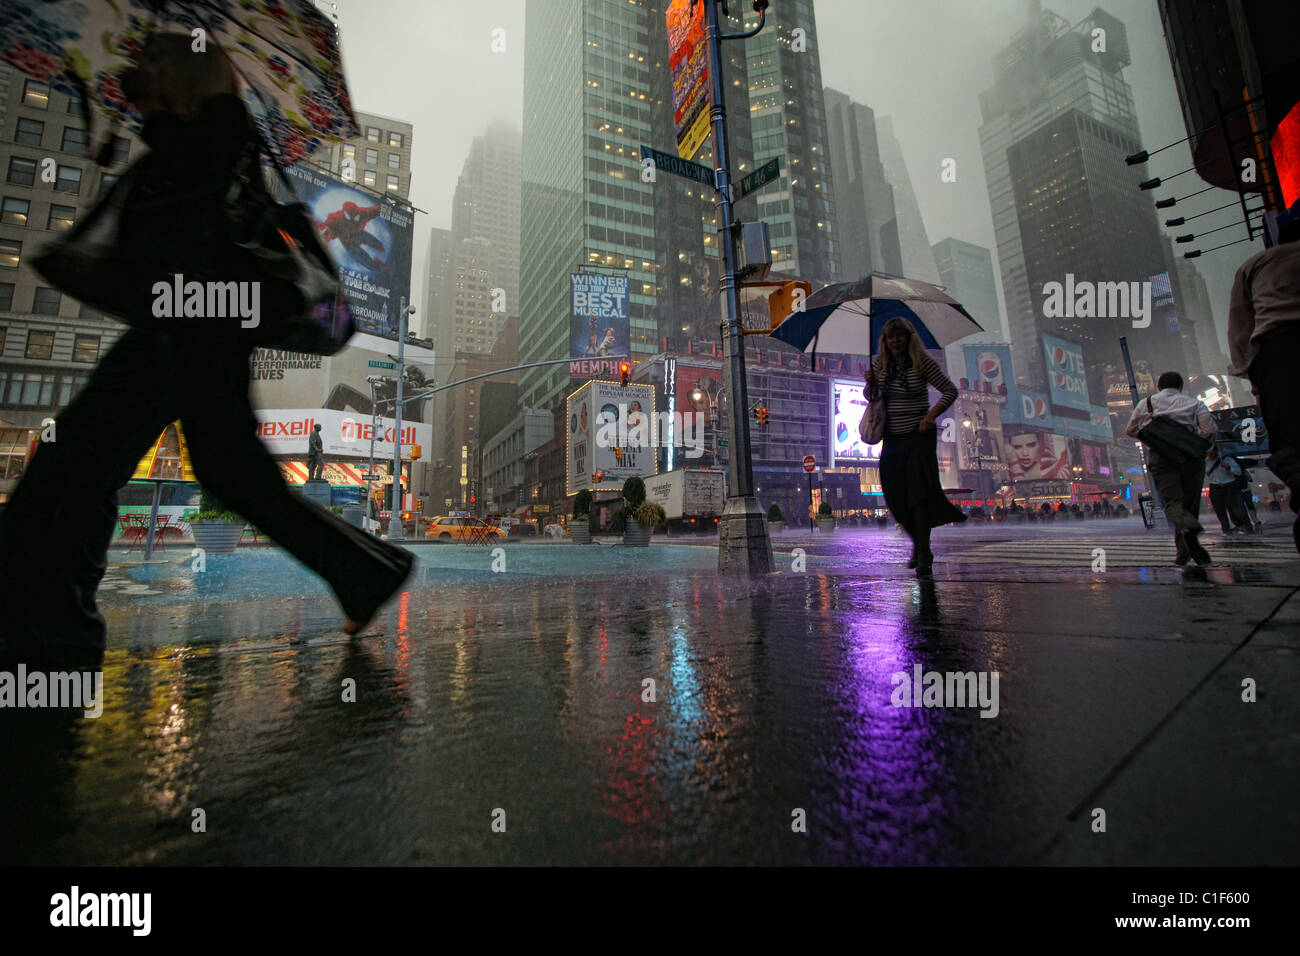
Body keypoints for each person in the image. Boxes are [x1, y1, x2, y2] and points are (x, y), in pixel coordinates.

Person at [0, 34, 412, 669]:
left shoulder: (212, 128)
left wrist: (162, 122)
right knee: (214, 466)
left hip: (191, 318)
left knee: (80, 463)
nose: (137, 64)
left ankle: (45, 641)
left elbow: (182, 215)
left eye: (152, 59)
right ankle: (363, 571)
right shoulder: (207, 127)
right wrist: (156, 118)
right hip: (188, 319)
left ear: (184, 76)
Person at [865, 317, 965, 576]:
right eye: (890, 337)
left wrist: (931, 415)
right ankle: (919, 545)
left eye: (899, 335)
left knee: (918, 496)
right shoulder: (880, 365)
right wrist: (870, 382)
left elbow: (950, 391)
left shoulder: (922, 363)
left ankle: (922, 551)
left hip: (919, 436)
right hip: (893, 438)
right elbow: (872, 398)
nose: (895, 340)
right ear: (884, 341)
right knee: (894, 495)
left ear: (908, 337)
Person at [1228, 208, 1300, 554]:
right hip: (1279, 354)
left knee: (1290, 440)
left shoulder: (1255, 265)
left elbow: (1239, 325)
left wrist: (1252, 376)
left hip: (1280, 353)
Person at [1126, 371, 1216, 566]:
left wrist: (1153, 436)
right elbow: (1209, 430)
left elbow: (1130, 430)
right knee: (1190, 504)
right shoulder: (1195, 403)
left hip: (1161, 457)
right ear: (1181, 386)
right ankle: (1189, 542)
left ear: (1158, 386)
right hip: (1191, 458)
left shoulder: (1147, 404)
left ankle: (1185, 547)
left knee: (1173, 502)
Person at [1205, 445, 1245, 534]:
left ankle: (1239, 524)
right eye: (1208, 453)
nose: (1210, 455)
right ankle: (1226, 529)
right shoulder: (1206, 462)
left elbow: (1238, 472)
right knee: (1219, 510)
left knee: (1232, 507)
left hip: (1229, 486)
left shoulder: (1227, 460)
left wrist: (1228, 468)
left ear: (1216, 452)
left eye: (1211, 453)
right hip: (1215, 487)